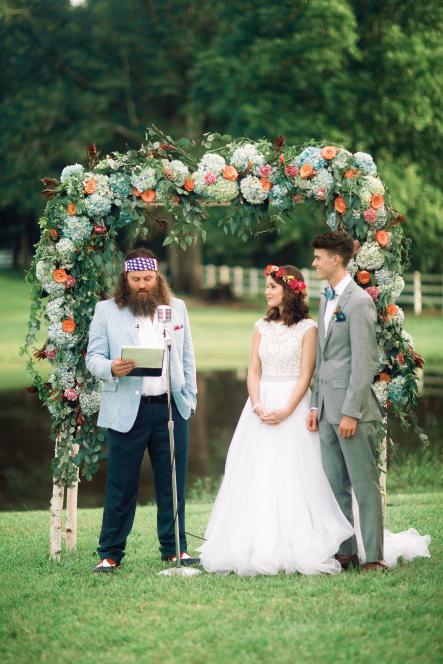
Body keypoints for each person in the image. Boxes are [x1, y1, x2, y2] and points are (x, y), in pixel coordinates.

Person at [198, 264, 355, 575]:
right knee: (257, 471)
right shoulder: (260, 326)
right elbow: (253, 370)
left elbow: (306, 374)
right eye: (267, 285)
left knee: (297, 472)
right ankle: (258, 541)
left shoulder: (308, 328)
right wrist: (257, 404)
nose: (267, 291)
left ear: (289, 290)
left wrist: (286, 410)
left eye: (272, 286)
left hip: (293, 405)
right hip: (260, 405)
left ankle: (307, 539)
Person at [307, 230, 430, 571]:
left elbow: (364, 363)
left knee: (364, 485)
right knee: (335, 486)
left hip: (354, 412)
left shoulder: (359, 302)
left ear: (335, 259)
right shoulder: (325, 297)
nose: (314, 262)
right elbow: (322, 357)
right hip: (327, 409)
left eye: (318, 257)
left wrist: (350, 412)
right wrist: (315, 404)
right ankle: (346, 552)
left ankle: (373, 557)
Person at [86, 248, 197, 572]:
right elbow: (93, 357)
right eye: (136, 279)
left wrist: (189, 398)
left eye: (148, 278)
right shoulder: (106, 311)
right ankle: (110, 554)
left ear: (157, 277)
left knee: (172, 483)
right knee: (121, 485)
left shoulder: (176, 308)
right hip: (126, 411)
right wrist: (111, 367)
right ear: (126, 279)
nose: (143, 285)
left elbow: (187, 356)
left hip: (170, 409)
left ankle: (175, 549)